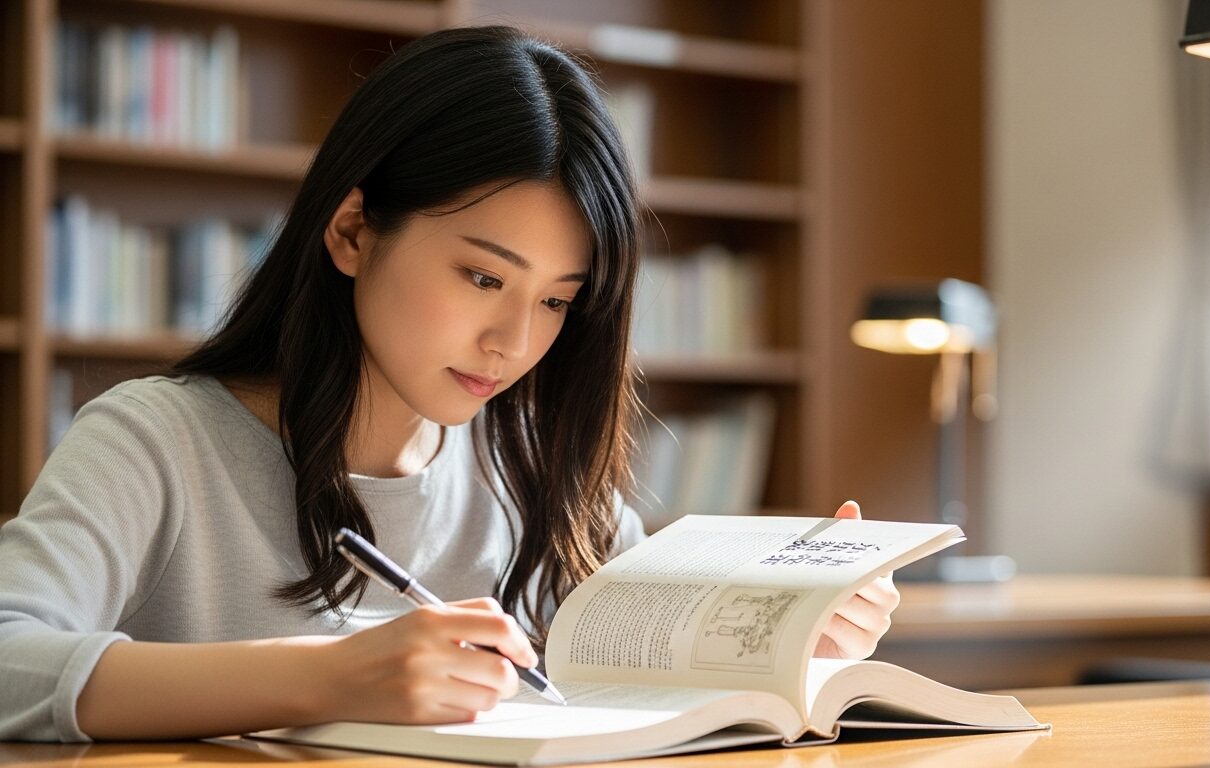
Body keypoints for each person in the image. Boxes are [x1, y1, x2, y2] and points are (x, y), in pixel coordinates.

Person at [0, 26, 900, 742]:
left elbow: (639, 680)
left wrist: (784, 640)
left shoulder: (533, 472)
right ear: (353, 231)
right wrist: (326, 677)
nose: (514, 341)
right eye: (482, 278)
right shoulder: (156, 442)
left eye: (555, 300)